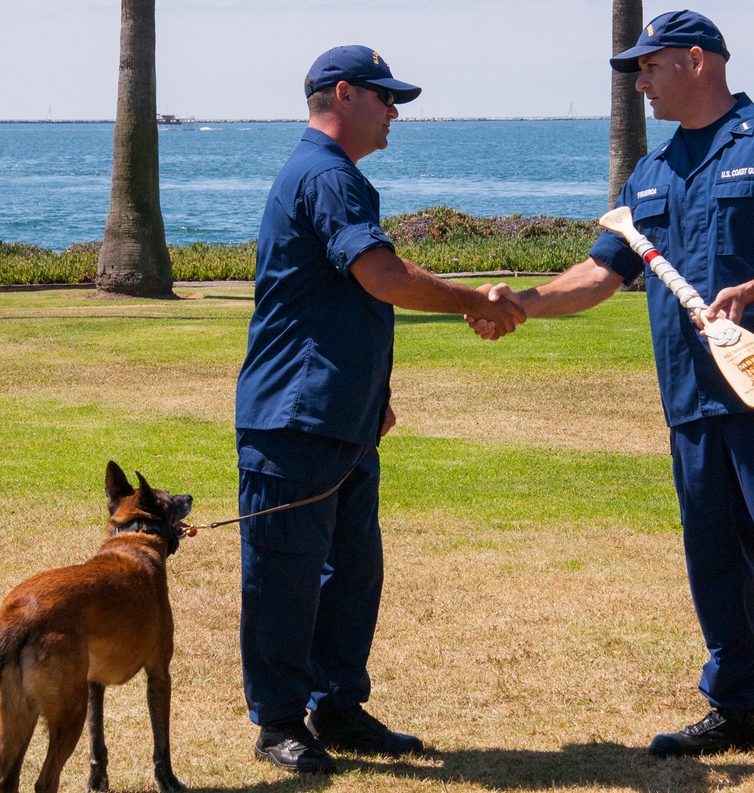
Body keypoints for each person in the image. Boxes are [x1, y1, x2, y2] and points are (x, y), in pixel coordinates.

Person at [470, 10, 754, 789]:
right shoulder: (650, 174)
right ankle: (735, 707)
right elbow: (601, 274)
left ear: (697, 61)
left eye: (650, 66)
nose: (639, 81)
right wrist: (522, 300)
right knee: (715, 564)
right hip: (694, 405)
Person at [235, 44, 524, 775]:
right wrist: (472, 299)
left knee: (351, 569)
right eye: (385, 97)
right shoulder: (328, 177)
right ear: (342, 95)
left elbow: (343, 300)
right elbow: (381, 275)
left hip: (340, 415)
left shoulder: (333, 177)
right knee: (286, 570)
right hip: (295, 415)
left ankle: (338, 704)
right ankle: (279, 721)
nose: (395, 112)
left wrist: (376, 394)